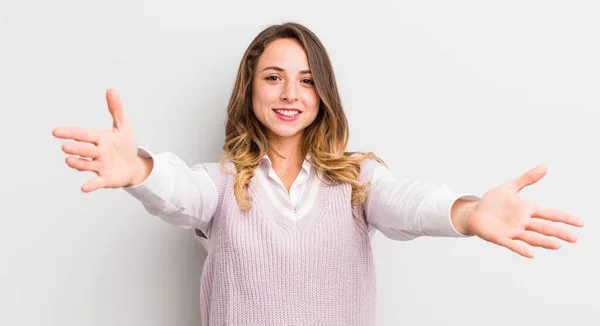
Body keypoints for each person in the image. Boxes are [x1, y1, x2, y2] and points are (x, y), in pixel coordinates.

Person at [52, 22, 584, 325]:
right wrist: (140, 169)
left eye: (306, 80)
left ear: (323, 94)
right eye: (274, 77)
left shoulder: (357, 181)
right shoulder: (221, 183)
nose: (290, 94)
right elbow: (177, 192)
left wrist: (466, 213)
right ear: (250, 88)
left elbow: (408, 204)